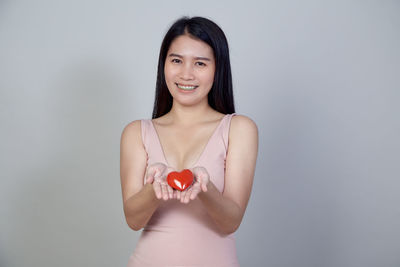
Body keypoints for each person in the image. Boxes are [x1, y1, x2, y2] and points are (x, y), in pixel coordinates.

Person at [120, 16, 258, 266]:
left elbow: (231, 222)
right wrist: (155, 189)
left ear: (218, 68)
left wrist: (204, 189)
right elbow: (133, 220)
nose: (186, 74)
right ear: (164, 65)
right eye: (176, 61)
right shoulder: (136, 132)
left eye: (200, 64)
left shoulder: (239, 129)